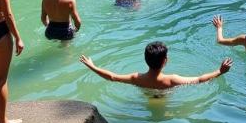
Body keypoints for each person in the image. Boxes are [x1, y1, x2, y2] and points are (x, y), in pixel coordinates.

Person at [80, 42, 232, 90]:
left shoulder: (136, 78)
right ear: (165, 61)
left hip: (146, 96)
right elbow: (199, 80)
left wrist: (92, 66)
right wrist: (220, 71)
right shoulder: (172, 80)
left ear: (145, 59)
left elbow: (112, 77)